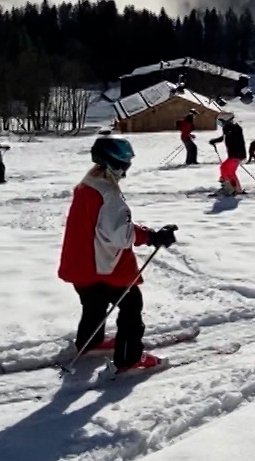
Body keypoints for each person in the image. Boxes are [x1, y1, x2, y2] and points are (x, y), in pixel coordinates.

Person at [57, 137, 177, 374]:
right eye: (126, 164)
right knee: (131, 303)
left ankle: (90, 343)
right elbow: (121, 235)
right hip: (103, 265)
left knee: (94, 302)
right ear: (115, 164)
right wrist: (152, 236)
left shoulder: (88, 183)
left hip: (80, 263)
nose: (126, 171)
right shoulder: (107, 194)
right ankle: (129, 358)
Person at [209, 111, 247, 195]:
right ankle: (236, 189)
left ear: (226, 120)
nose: (220, 124)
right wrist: (214, 141)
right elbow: (223, 137)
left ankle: (228, 188)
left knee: (224, 168)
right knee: (230, 171)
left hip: (236, 154)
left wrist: (229, 132)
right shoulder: (229, 128)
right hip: (235, 154)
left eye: (221, 121)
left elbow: (235, 139)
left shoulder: (235, 129)